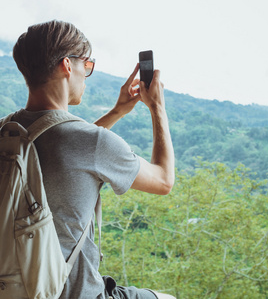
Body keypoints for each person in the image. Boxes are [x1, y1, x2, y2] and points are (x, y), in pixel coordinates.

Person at [10, 20, 176, 299]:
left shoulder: (6, 131)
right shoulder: (90, 142)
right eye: (86, 66)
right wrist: (157, 107)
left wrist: (116, 112)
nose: (86, 75)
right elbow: (163, 180)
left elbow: (58, 142)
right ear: (67, 65)